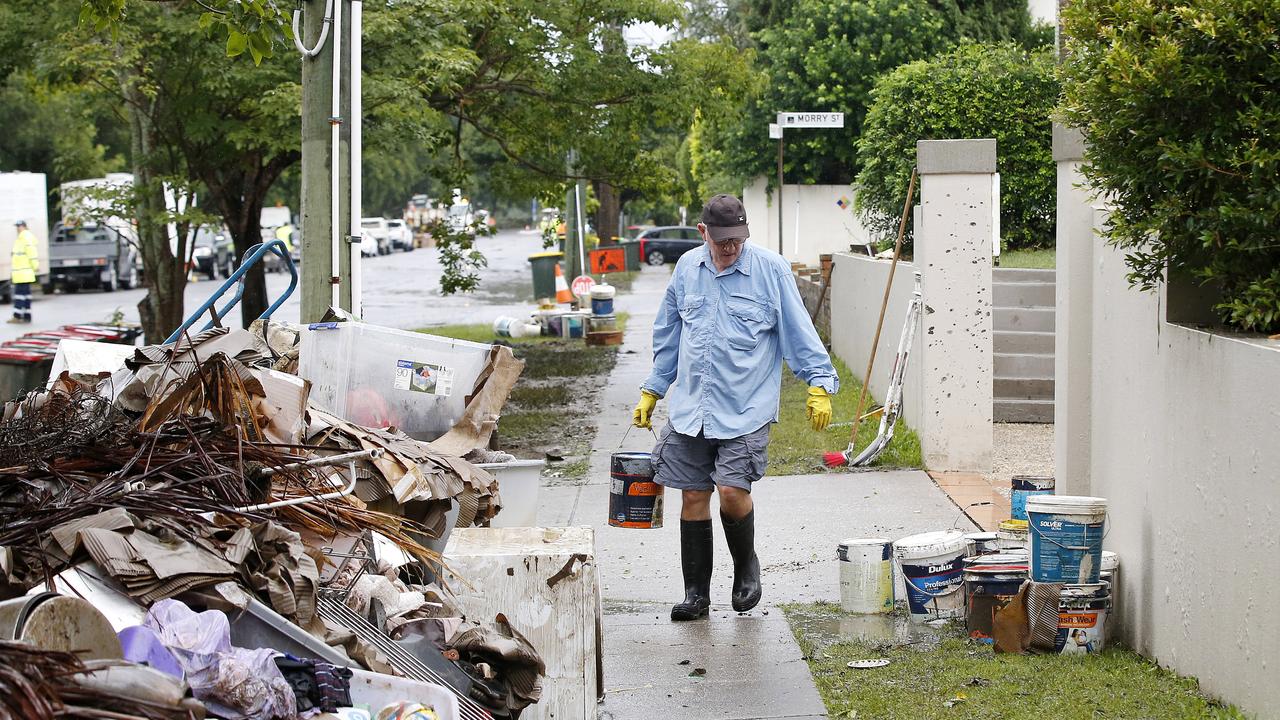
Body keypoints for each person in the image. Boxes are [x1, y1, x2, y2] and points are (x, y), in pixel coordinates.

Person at [632, 194, 838, 621]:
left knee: (731, 490)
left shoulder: (770, 270)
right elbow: (669, 335)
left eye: (737, 239)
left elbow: (798, 331)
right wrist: (653, 389)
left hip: (746, 406)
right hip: (692, 406)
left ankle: (746, 566)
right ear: (703, 233)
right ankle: (696, 595)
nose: (730, 248)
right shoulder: (688, 268)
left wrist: (819, 383)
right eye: (721, 239)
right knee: (692, 494)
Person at [9, 220, 39, 324]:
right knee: (25, 295)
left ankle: (17, 316)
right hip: (22, 273)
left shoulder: (25, 237)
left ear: (23, 226)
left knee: (19, 295)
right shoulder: (22, 237)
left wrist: (35, 266)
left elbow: (32, 252)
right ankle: (27, 316)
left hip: (23, 273)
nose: (17, 228)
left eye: (18, 226)